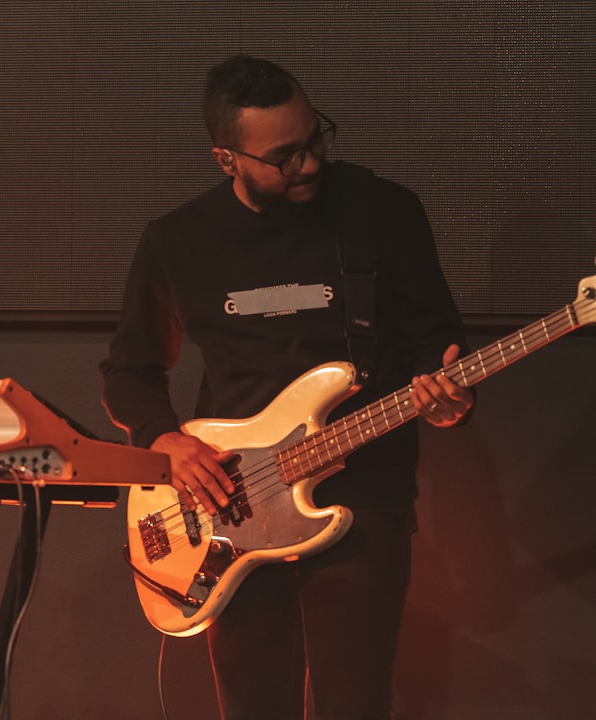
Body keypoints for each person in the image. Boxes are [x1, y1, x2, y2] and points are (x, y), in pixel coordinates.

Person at [100, 55, 474, 720]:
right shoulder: (176, 242)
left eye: (315, 139)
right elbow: (129, 370)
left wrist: (447, 398)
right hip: (232, 510)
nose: (309, 164)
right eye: (285, 156)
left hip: (362, 495)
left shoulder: (382, 212)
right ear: (227, 159)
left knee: (354, 705)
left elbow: (435, 344)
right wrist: (168, 445)